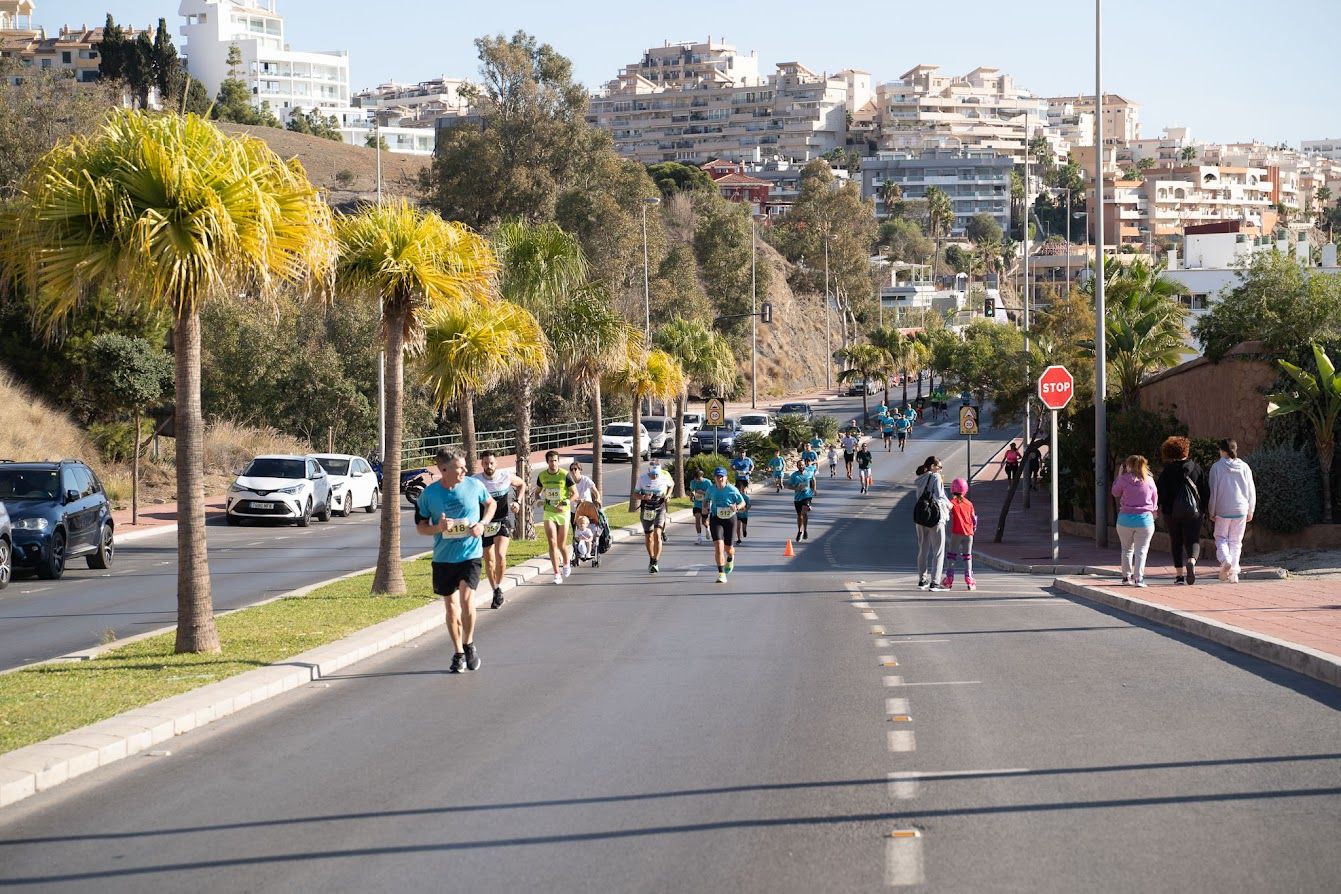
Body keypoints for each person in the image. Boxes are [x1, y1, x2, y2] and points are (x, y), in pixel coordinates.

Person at [416, 448, 495, 674]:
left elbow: (491, 504)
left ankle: (469, 643)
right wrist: (437, 528)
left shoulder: (474, 485)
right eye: (459, 467)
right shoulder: (429, 495)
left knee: (467, 598)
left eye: (464, 467)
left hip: (470, 554)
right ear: (443, 470)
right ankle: (458, 652)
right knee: (451, 607)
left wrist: (482, 524)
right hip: (443, 558)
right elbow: (420, 527)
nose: (465, 470)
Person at [473, 450, 525, 609]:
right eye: (486, 463)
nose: (489, 466)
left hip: (502, 521)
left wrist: (518, 501)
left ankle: (499, 584)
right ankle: (496, 589)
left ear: (496, 463)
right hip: (484, 523)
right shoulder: (475, 481)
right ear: (481, 464)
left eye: (492, 463)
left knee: (500, 555)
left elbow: (522, 484)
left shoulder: (505, 476)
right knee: (489, 560)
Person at [1156, 436, 1205, 585]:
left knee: (1176, 541)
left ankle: (1179, 576)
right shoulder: (1196, 468)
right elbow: (1204, 490)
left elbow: (1161, 492)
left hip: (1171, 512)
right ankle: (1191, 561)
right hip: (1194, 512)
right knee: (1193, 539)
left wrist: (1161, 508)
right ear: (1186, 450)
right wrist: (1204, 509)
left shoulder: (1167, 471)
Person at [1208, 438, 1256, 584]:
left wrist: (1212, 510)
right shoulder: (1245, 467)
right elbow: (1251, 490)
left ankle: (1225, 560)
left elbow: (1213, 491)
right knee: (1236, 541)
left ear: (1222, 450)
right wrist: (1251, 509)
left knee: (1221, 537)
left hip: (1223, 509)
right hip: (1241, 509)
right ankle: (1234, 573)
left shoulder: (1216, 467)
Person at [1111, 454, 1158, 587]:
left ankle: (1126, 577)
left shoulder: (1123, 479)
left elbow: (1115, 492)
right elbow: (1155, 497)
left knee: (1126, 549)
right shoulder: (1149, 480)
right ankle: (1139, 579)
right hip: (1144, 520)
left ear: (1128, 465)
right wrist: (1153, 511)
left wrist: (1119, 476)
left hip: (1124, 519)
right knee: (1141, 551)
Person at [536, 450, 576, 585]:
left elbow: (575, 494)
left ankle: (566, 563)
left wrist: (566, 502)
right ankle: (556, 573)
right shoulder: (542, 476)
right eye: (551, 461)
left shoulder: (565, 475)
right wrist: (538, 500)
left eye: (555, 460)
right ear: (547, 462)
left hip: (563, 512)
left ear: (558, 461)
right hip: (549, 512)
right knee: (552, 543)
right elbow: (537, 492)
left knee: (561, 544)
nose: (553, 463)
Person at [914, 456, 951, 590]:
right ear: (932, 467)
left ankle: (922, 579)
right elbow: (940, 496)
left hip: (921, 517)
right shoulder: (935, 477)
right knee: (938, 550)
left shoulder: (919, 479)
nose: (940, 470)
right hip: (935, 517)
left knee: (923, 549)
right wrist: (950, 504)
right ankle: (935, 582)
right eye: (939, 467)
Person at [705, 467, 746, 583]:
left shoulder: (732, 489)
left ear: (726, 477)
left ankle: (730, 557)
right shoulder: (711, 489)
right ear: (714, 478)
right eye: (717, 476)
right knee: (718, 546)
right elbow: (706, 500)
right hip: (716, 518)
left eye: (721, 476)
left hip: (730, 519)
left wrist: (736, 507)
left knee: (729, 549)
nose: (719, 479)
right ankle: (721, 574)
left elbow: (742, 502)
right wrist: (706, 506)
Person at [636, 457, 674, 573]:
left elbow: (672, 485)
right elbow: (635, 494)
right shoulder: (642, 479)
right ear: (649, 471)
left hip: (660, 509)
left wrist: (668, 495)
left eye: (656, 474)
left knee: (657, 534)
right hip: (646, 510)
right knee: (649, 537)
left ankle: (655, 561)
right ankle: (651, 558)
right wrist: (643, 497)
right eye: (652, 474)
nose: (655, 476)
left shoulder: (664, 476)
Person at [942, 478, 978, 590]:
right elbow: (974, 519)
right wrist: (973, 529)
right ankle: (969, 579)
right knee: (967, 556)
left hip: (956, 532)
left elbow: (946, 510)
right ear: (965, 489)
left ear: (953, 490)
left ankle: (949, 579)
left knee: (952, 556)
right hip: (969, 533)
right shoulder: (969, 503)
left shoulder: (952, 503)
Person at [788, 456, 816, 541]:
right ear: (797, 466)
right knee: (799, 515)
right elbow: (788, 486)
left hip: (807, 495)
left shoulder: (809, 472)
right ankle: (799, 531)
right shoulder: (794, 475)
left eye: (802, 465)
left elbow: (813, 479)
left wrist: (814, 489)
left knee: (804, 512)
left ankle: (805, 530)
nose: (801, 466)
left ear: (805, 465)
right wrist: (796, 488)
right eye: (799, 465)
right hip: (797, 498)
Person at [689, 466, 711, 544]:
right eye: (695, 479)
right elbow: (692, 491)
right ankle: (699, 538)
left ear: (702, 476)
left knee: (704, 521)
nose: (697, 481)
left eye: (698, 479)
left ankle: (707, 528)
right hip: (697, 503)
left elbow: (711, 493)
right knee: (697, 518)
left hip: (705, 503)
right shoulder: (692, 482)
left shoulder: (707, 482)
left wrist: (704, 493)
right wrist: (691, 496)